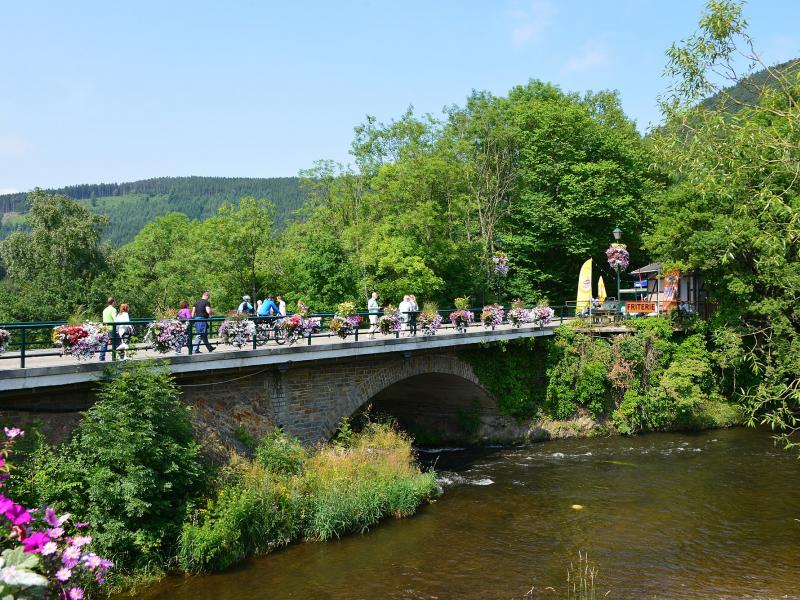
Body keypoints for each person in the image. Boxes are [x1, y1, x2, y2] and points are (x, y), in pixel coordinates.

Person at [99, 296, 117, 361]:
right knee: (117, 342)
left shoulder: (105, 310)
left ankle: (101, 357)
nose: (115, 303)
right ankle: (121, 356)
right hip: (111, 328)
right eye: (115, 302)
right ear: (113, 302)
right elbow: (115, 320)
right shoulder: (113, 309)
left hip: (104, 328)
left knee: (104, 343)